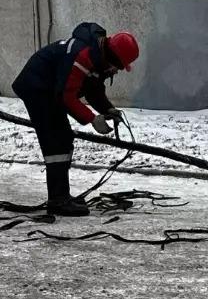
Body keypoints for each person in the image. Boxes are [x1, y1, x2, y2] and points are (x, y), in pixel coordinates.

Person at [11, 22, 140, 216]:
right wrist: (92, 119)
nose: (118, 71)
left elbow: (93, 90)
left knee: (63, 139)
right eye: (119, 67)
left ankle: (61, 195)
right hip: (37, 87)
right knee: (56, 141)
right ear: (112, 58)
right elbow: (66, 96)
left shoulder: (98, 57)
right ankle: (58, 200)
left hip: (51, 90)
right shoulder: (83, 55)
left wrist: (108, 109)